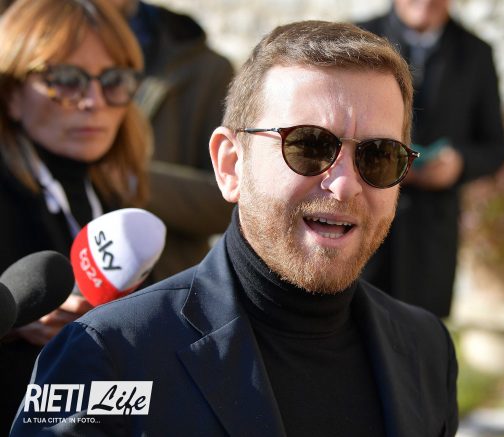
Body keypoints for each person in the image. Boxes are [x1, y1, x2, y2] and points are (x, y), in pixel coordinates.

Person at [11, 20, 458, 436]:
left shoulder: (427, 349)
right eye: (309, 146)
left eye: (379, 155)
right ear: (230, 165)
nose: (344, 185)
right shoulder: (107, 353)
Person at [0, 0, 150, 433]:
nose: (93, 101)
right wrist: (11, 316)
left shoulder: (120, 198)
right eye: (65, 80)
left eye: (114, 80)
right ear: (11, 94)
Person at [358, 0, 504, 318]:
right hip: (363, 218)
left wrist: (459, 164)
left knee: (421, 337)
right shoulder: (360, 38)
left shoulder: (475, 53)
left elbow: (496, 147)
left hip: (431, 233)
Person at [106, 0, 236, 281]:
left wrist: (129, 180)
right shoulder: (35, 50)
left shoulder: (205, 69)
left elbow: (234, 196)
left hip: (167, 284)